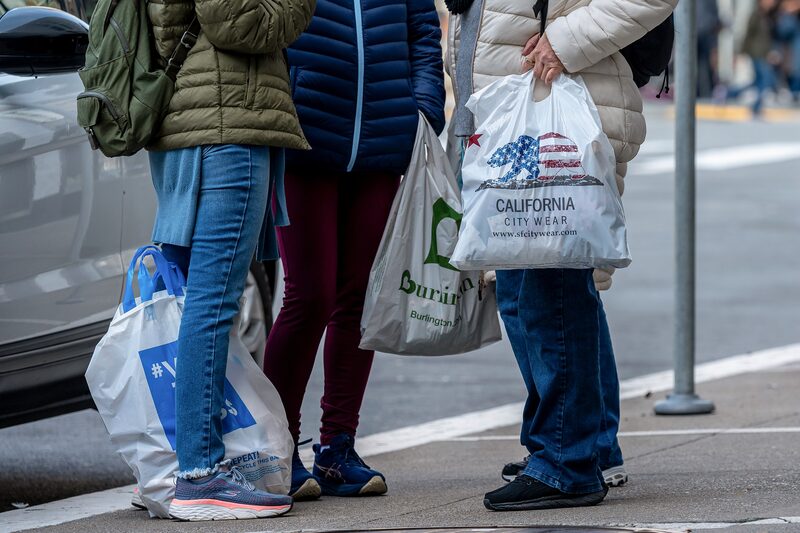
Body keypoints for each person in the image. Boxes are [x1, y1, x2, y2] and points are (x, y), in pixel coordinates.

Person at [445, 0, 676, 511]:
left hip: (557, 114)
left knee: (551, 299)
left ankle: (565, 461)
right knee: (527, 297)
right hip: (508, 119)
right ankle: (581, 447)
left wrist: (565, 41)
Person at [262, 0, 445, 500]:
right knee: (310, 296)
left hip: (383, 144)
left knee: (359, 301)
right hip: (304, 141)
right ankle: (277, 450)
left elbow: (424, 37)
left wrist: (422, 114)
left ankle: (337, 449)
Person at [145, 0, 314, 521]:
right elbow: (236, 20)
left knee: (193, 298)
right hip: (224, 128)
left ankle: (174, 466)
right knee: (213, 301)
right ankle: (199, 474)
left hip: (194, 119)